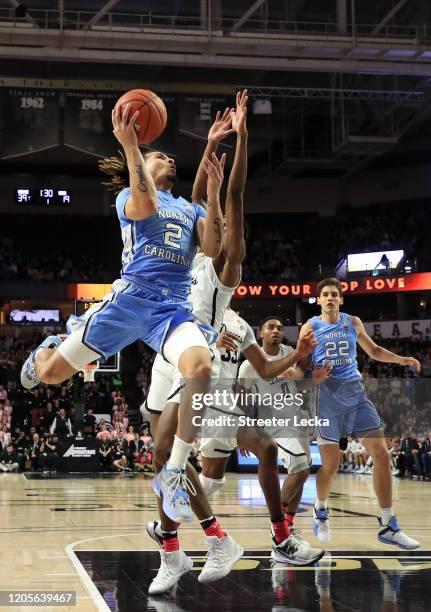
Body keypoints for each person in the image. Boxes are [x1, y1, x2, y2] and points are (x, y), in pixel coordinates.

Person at [20, 101, 227, 525]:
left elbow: (214, 250)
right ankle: (49, 346)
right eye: (159, 155)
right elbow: (146, 205)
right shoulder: (126, 199)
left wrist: (216, 193)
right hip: (129, 300)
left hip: (170, 309)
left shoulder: (191, 210)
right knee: (51, 376)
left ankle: (173, 472)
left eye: (170, 156)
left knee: (202, 369)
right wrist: (132, 147)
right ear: (143, 168)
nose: (168, 157)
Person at [145, 96, 322, 593]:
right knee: (164, 460)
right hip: (164, 349)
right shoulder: (184, 248)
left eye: (222, 226)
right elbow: (200, 197)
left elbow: (233, 197)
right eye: (211, 221)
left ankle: (224, 538)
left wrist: (242, 139)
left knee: (210, 454)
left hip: (197, 365)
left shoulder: (223, 274)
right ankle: (173, 546)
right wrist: (209, 145)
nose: (216, 224)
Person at [299, 277, 420, 550]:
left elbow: (374, 351)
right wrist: (312, 376)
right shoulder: (310, 327)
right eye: (325, 295)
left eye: (334, 294)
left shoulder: (352, 322)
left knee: (382, 454)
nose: (330, 298)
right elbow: (301, 368)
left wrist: (401, 359)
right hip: (326, 400)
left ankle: (388, 524)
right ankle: (320, 510)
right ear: (318, 300)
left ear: (341, 299)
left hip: (355, 395)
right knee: (330, 466)